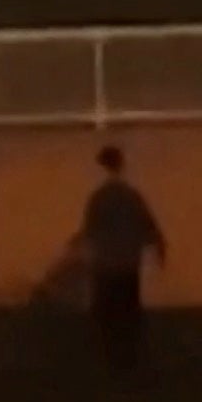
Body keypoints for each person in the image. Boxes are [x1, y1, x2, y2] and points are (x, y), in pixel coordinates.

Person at [77, 144, 166, 372]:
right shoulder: (131, 196)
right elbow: (149, 227)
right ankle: (129, 361)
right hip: (127, 265)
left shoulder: (99, 198)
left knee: (106, 317)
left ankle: (109, 360)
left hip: (106, 266)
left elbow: (89, 230)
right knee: (128, 315)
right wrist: (159, 251)